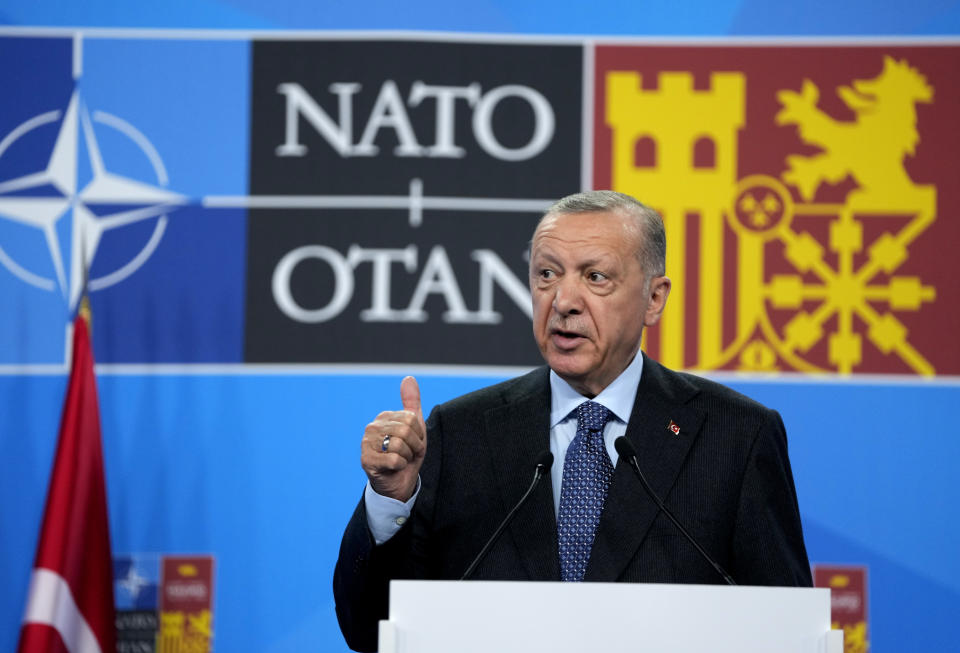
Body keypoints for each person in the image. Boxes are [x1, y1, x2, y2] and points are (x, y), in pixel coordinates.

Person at [333, 190, 812, 652]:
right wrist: (390, 500)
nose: (563, 301)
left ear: (654, 299)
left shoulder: (735, 436)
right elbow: (370, 629)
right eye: (547, 274)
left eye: (596, 277)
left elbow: (785, 628)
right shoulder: (461, 433)